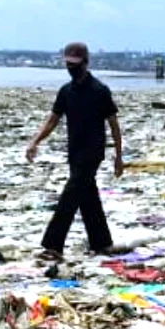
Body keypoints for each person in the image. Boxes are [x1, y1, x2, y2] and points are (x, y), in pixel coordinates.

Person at [25, 41, 123, 261]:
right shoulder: (66, 91)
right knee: (88, 197)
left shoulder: (99, 91)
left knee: (69, 197)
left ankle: (53, 245)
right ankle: (102, 242)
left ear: (86, 63)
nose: (71, 68)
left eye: (75, 64)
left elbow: (113, 124)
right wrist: (35, 141)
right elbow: (52, 121)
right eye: (68, 64)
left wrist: (119, 156)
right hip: (74, 151)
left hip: (93, 152)